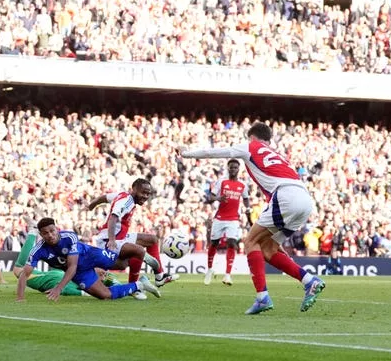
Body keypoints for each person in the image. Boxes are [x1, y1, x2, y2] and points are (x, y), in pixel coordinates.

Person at [179, 121, 325, 314]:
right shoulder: (279, 155)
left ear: (252, 137)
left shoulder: (251, 146)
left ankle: (262, 297)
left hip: (285, 197)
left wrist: (185, 153)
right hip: (305, 201)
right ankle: (309, 281)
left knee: (250, 242)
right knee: (268, 249)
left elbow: (214, 152)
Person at [16, 218, 160, 302]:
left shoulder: (69, 237)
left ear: (57, 229)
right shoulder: (37, 250)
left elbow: (72, 265)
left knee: (121, 263)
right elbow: (24, 274)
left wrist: (59, 288)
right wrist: (20, 299)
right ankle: (139, 285)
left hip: (89, 255)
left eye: (52, 231)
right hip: (79, 272)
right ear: (40, 234)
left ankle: (140, 251)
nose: (50, 235)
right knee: (104, 295)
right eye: (45, 233)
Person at [88, 178, 178, 300]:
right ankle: (135, 286)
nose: (145, 196)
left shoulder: (122, 195)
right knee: (136, 254)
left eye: (148, 194)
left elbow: (104, 198)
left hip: (121, 238)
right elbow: (113, 218)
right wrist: (112, 240)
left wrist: (92, 204)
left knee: (152, 240)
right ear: (134, 189)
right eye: (143, 192)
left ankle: (159, 276)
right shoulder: (126, 201)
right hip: (109, 240)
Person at [12, 225, 122, 297]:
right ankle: (33, 231)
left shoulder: (80, 284)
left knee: (18, 269)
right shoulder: (82, 278)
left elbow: (68, 290)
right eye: (103, 273)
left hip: (52, 278)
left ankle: (32, 232)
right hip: (58, 275)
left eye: (102, 275)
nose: (103, 273)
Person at [204, 159, 252, 286]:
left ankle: (227, 275)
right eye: (231, 167)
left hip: (233, 219)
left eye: (235, 167)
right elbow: (211, 197)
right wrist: (218, 198)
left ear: (238, 169)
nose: (233, 169)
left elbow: (246, 199)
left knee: (231, 243)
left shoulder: (242, 185)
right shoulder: (222, 181)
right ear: (228, 168)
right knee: (213, 244)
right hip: (219, 217)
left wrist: (247, 209)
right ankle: (209, 270)